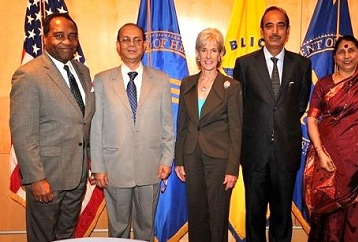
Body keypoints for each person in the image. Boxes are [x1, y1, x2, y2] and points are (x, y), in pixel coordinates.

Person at [9, 13, 95, 242]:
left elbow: (84, 121)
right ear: (45, 39)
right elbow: (23, 133)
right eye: (58, 35)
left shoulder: (83, 72)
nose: (67, 41)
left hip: (77, 177)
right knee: (42, 237)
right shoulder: (29, 75)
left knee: (66, 236)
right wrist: (36, 179)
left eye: (72, 36)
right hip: (47, 178)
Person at [233, 6, 312, 242]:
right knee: (254, 215)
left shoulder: (302, 64)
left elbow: (299, 104)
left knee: (282, 215)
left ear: (287, 31)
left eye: (280, 25)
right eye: (269, 25)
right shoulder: (244, 64)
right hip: (254, 152)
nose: (275, 31)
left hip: (286, 152)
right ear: (262, 31)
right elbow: (240, 107)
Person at [304, 35, 358, 242]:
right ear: (335, 57)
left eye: (351, 50)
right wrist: (320, 153)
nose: (346, 56)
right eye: (341, 52)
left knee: (356, 213)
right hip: (328, 160)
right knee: (327, 214)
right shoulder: (324, 85)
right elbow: (312, 119)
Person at [90, 23, 174, 241]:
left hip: (151, 167)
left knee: (146, 228)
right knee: (117, 229)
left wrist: (167, 159)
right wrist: (98, 167)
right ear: (118, 46)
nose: (132, 44)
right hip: (115, 168)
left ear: (145, 45)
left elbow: (167, 124)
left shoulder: (161, 79)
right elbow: (96, 126)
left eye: (137, 40)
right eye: (126, 40)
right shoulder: (101, 80)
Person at [175, 28, 243, 242]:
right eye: (204, 50)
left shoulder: (231, 87)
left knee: (217, 216)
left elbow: (236, 129)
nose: (208, 55)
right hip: (191, 156)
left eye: (214, 50)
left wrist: (233, 167)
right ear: (197, 53)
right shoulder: (187, 83)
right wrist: (179, 159)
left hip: (219, 160)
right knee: (196, 215)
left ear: (221, 54)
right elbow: (182, 124)